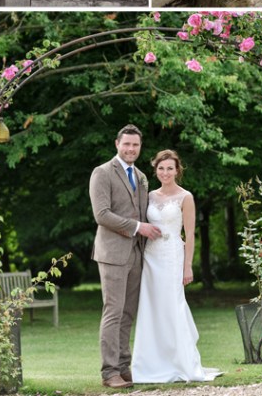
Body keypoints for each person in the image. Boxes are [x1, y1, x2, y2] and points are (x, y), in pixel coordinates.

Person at [130, 149, 223, 383]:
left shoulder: (186, 197)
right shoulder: (149, 195)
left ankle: (181, 362)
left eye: (170, 168)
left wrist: (188, 266)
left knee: (173, 305)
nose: (165, 172)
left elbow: (190, 235)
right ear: (155, 170)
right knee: (151, 308)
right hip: (151, 258)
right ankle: (150, 364)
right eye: (161, 168)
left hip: (173, 257)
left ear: (177, 170)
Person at [89, 124, 162, 389]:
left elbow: (144, 213)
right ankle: (109, 373)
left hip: (137, 254)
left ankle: (123, 367)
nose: (131, 149)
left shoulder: (141, 176)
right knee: (113, 311)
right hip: (112, 254)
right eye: (127, 144)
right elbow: (102, 214)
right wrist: (136, 227)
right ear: (117, 144)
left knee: (128, 313)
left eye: (136, 145)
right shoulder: (102, 173)